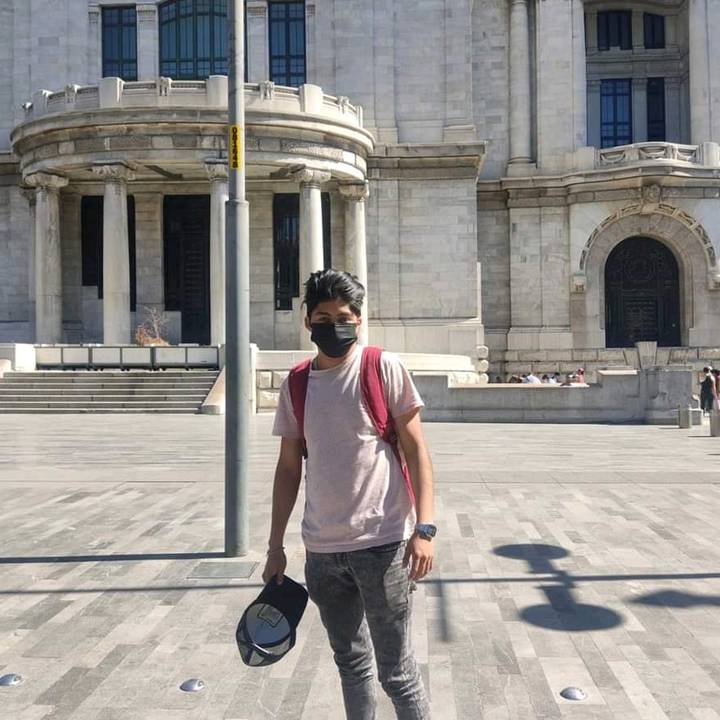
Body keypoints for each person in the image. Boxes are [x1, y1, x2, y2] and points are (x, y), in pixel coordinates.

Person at [264, 269, 434, 720]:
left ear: (359, 320)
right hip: (322, 552)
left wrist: (425, 529)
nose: (334, 326)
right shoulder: (297, 383)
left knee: (397, 673)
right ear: (308, 322)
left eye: (344, 318)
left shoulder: (381, 368)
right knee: (351, 665)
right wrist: (275, 547)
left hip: (383, 545)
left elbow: (417, 450)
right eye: (324, 318)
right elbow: (288, 469)